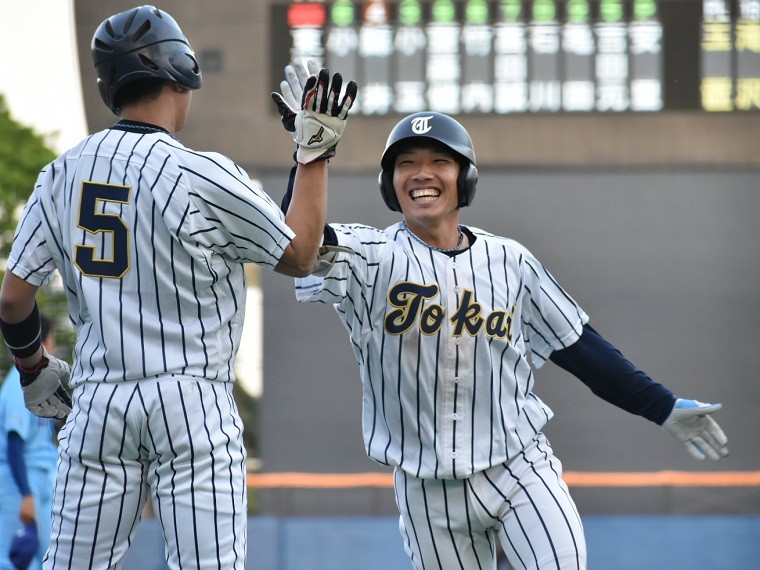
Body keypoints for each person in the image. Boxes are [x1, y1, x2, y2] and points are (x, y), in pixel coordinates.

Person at [273, 71, 729, 569]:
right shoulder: (368, 255)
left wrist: (660, 405)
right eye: (407, 164)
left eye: (439, 161)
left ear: (464, 177)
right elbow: (296, 248)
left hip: (518, 467)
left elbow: (581, 349)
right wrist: (311, 155)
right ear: (390, 183)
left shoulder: (511, 262)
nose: (422, 173)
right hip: (426, 491)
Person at [0, 6, 355, 569]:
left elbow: (13, 299)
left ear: (108, 85)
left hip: (97, 403)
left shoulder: (62, 172)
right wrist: (312, 154)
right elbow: (301, 254)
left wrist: (32, 368)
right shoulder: (202, 173)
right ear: (181, 69)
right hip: (190, 402)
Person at [0, 314, 58, 570]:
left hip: (43, 480)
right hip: (20, 482)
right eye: (52, 341)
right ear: (41, 344)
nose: (54, 347)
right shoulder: (17, 384)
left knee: (46, 555)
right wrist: (25, 494)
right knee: (12, 557)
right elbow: (14, 442)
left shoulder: (39, 384)